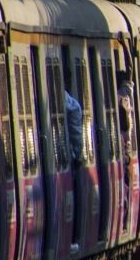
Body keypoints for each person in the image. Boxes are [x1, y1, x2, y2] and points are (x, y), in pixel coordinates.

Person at [64, 68, 83, 254]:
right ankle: (71, 237)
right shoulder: (71, 104)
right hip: (67, 158)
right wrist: (79, 158)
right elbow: (76, 134)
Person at [116, 66, 134, 232]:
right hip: (123, 150)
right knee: (125, 185)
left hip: (119, 151)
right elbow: (126, 127)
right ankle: (124, 220)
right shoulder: (123, 101)